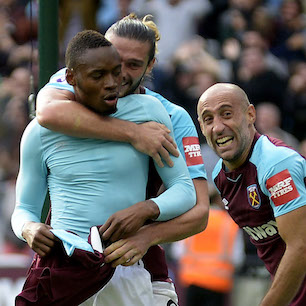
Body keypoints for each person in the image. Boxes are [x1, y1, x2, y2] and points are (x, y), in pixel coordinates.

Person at [11, 30, 197, 305]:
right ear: (71, 78)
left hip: (127, 266)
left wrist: (145, 209)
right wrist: (28, 228)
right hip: (63, 267)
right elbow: (23, 208)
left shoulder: (151, 111)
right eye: (99, 76)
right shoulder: (40, 131)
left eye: (116, 71)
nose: (112, 83)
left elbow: (185, 190)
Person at [197, 83, 306, 306]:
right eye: (208, 119)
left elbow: (300, 247)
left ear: (250, 115)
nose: (218, 127)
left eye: (227, 114)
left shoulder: (276, 165)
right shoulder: (219, 175)